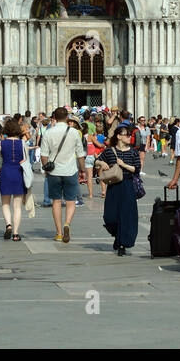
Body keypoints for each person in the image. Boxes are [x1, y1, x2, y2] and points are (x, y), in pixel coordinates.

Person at [40, 108, 85, 243]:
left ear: (54, 117)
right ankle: (67, 223)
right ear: (67, 117)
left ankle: (59, 233)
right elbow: (80, 154)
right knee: (71, 201)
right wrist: (82, 170)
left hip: (54, 172)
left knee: (56, 201)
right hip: (70, 170)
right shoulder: (74, 132)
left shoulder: (48, 132)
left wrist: (46, 169)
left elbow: (43, 155)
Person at [96, 123, 141, 256]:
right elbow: (96, 161)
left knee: (126, 216)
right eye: (127, 135)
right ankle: (117, 235)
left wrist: (124, 165)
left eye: (129, 135)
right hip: (113, 186)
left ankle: (122, 243)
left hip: (127, 185)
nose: (129, 137)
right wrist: (101, 163)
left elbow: (137, 169)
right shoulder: (109, 151)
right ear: (119, 136)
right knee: (109, 216)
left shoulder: (133, 152)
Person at [0, 117, 32, 241]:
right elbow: (26, 158)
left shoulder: (0, 143)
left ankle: (8, 224)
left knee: (5, 203)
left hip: (6, 171)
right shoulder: (22, 143)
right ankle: (16, 234)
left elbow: (2, 155)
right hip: (18, 172)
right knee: (17, 206)